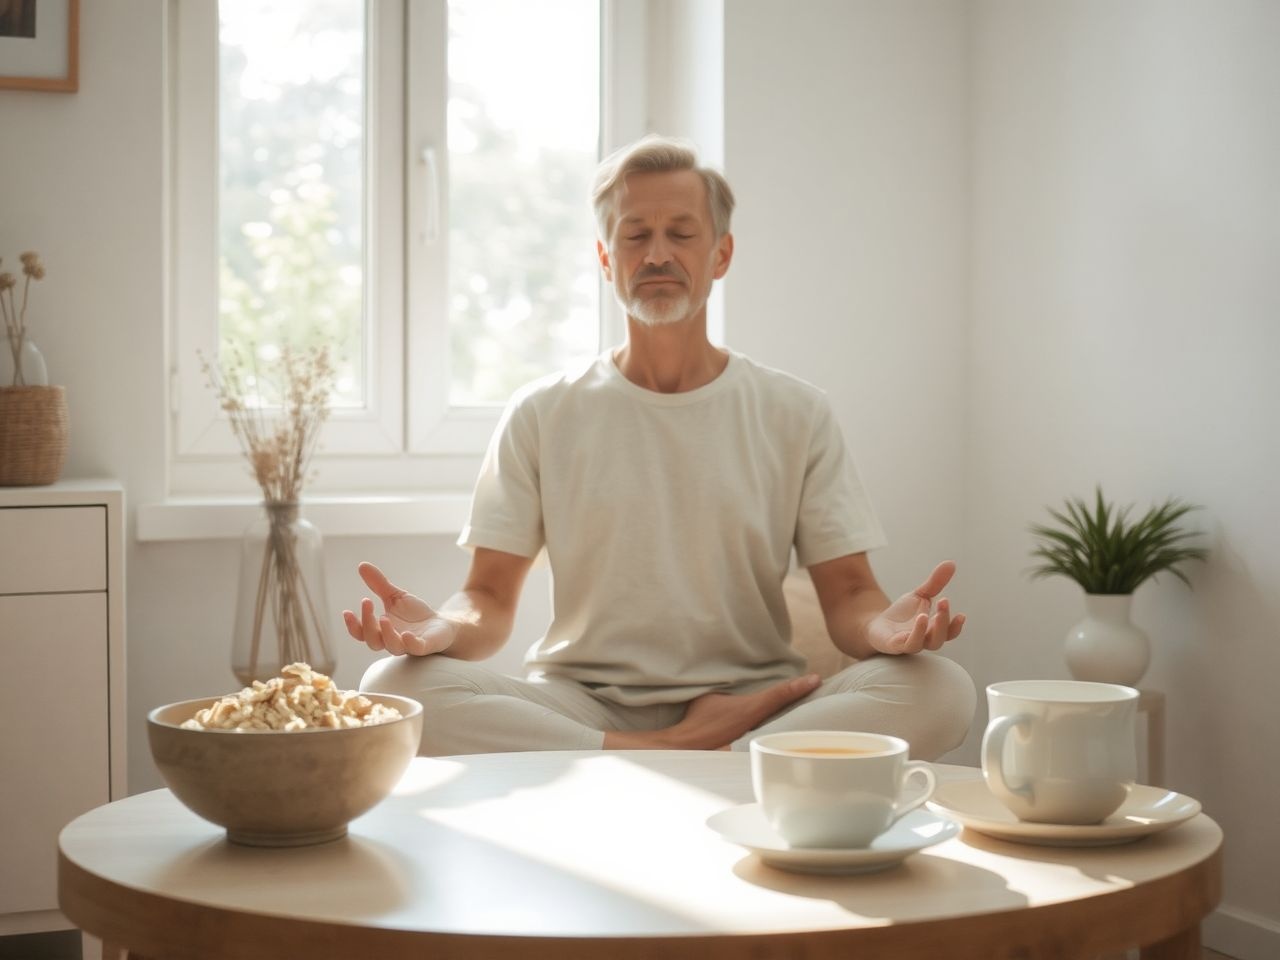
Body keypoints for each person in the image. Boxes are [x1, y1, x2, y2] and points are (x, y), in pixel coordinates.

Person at [344, 135, 975, 758]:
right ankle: (675, 752)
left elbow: (846, 595)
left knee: (942, 688)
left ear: (720, 254)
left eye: (681, 232)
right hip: (584, 698)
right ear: (605, 256)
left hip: (757, 700)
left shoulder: (796, 411)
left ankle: (666, 754)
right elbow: (487, 597)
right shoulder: (542, 411)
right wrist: (442, 631)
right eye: (635, 234)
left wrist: (880, 630)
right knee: (395, 685)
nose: (656, 254)